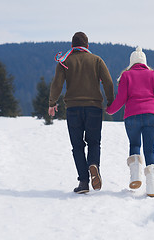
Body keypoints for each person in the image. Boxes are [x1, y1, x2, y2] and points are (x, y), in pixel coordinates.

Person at [49, 32, 114, 194]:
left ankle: (84, 182)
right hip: (94, 108)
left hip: (73, 108)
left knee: (77, 146)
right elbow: (108, 82)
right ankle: (94, 164)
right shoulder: (97, 60)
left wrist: (52, 103)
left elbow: (56, 84)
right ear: (87, 46)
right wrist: (111, 102)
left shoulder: (65, 61)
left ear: (72, 46)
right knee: (94, 142)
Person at [106, 47, 154, 197]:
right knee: (150, 150)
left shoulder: (126, 75)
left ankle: (135, 177)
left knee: (135, 145)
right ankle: (152, 188)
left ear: (131, 62)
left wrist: (110, 110)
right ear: (145, 62)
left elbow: (121, 99)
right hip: (152, 116)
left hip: (132, 117)